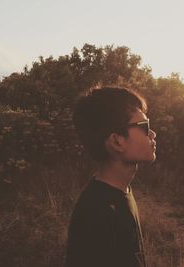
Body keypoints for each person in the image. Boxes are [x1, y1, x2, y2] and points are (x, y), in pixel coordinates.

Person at [64, 87, 157, 267]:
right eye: (144, 127)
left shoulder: (122, 190)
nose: (152, 134)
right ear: (116, 142)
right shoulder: (96, 214)